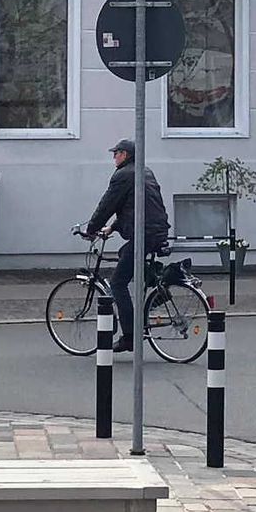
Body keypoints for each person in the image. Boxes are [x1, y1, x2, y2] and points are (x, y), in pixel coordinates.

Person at [82, 139, 170, 352]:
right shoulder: (144, 171)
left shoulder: (123, 175)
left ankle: (130, 336)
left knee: (118, 283)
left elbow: (108, 204)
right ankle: (158, 288)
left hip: (145, 233)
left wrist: (91, 228)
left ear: (126, 154)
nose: (114, 157)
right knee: (124, 254)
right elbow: (134, 205)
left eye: (117, 153)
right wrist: (111, 228)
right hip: (156, 230)